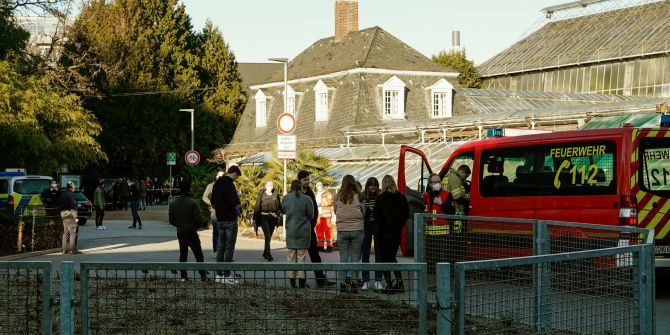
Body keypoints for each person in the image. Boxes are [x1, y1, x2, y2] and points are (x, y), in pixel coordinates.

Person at [298, 170, 336, 288]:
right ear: (299, 180)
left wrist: (312, 224)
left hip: (309, 229)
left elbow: (314, 209)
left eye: (308, 180)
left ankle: (320, 280)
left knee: (315, 255)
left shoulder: (310, 193)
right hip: (299, 230)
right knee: (300, 257)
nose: (307, 182)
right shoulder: (295, 193)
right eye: (305, 180)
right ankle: (301, 282)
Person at [374, 175, 409, 294]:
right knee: (393, 258)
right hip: (396, 233)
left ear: (383, 184)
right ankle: (400, 282)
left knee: (385, 259)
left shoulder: (380, 198)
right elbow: (406, 214)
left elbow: (376, 216)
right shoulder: (401, 197)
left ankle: (389, 284)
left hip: (384, 232)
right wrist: (398, 224)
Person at [170, 180, 207, 281]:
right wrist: (194, 227)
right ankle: (202, 274)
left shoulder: (174, 203)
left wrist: (179, 225)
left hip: (180, 231)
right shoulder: (192, 203)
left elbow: (171, 220)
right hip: (191, 230)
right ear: (188, 189)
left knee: (183, 253)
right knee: (198, 254)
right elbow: (198, 220)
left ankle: (183, 275)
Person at [333, 174, 365, 294]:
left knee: (343, 258)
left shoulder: (338, 197)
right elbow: (364, 211)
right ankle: (354, 283)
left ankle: (342, 283)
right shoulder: (360, 196)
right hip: (357, 230)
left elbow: (335, 211)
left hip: (342, 230)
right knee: (355, 258)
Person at [212, 166, 242, 284]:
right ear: (233, 173)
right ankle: (227, 275)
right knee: (229, 247)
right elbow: (234, 202)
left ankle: (219, 275)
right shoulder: (229, 185)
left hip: (219, 219)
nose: (236, 179)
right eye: (236, 177)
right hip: (230, 220)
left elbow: (213, 202)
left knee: (221, 247)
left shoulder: (216, 184)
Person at [283, 179, 314, 288]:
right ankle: (301, 283)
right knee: (301, 257)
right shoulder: (307, 199)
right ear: (301, 187)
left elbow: (283, 210)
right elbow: (311, 215)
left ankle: (292, 282)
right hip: (303, 232)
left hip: (291, 231)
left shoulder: (286, 198)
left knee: (291, 257)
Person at [361, 177, 383, 291]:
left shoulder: (380, 195)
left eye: (375, 185)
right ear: (367, 186)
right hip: (366, 225)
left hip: (377, 224)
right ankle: (366, 281)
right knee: (365, 253)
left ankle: (378, 280)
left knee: (379, 253)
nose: (373, 187)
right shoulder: (363, 196)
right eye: (371, 185)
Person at [253, 179, 283, 261]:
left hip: (273, 217)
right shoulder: (261, 194)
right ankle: (268, 254)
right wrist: (255, 219)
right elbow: (257, 206)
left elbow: (279, 205)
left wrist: (283, 212)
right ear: (265, 186)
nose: (271, 187)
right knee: (267, 235)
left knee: (269, 236)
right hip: (264, 217)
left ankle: (265, 252)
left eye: (272, 185)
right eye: (269, 185)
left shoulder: (275, 193)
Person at [202, 170, 224, 256]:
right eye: (220, 176)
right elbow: (204, 197)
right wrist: (211, 203)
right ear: (216, 177)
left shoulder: (226, 186)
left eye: (223, 176)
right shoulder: (211, 186)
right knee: (217, 231)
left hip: (224, 212)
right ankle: (216, 251)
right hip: (214, 212)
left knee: (223, 232)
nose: (221, 178)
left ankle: (222, 251)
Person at [446, 165, 472, 233]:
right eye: (465, 176)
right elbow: (458, 198)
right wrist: (469, 200)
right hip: (455, 211)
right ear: (462, 172)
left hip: (451, 209)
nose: (465, 178)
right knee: (457, 235)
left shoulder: (452, 176)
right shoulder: (454, 179)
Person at [60, 181, 80, 254]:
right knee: (73, 232)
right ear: (72, 187)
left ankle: (64, 250)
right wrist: (76, 217)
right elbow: (73, 206)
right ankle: (72, 250)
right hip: (70, 213)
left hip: (63, 213)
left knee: (65, 232)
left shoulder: (63, 194)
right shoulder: (72, 194)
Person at [315, 181, 334, 251]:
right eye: (318, 185)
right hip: (318, 214)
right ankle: (320, 245)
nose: (320, 186)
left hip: (326, 214)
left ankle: (329, 246)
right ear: (316, 186)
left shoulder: (327, 193)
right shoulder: (315, 194)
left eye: (321, 185)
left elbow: (330, 201)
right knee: (319, 229)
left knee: (328, 230)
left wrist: (321, 203)